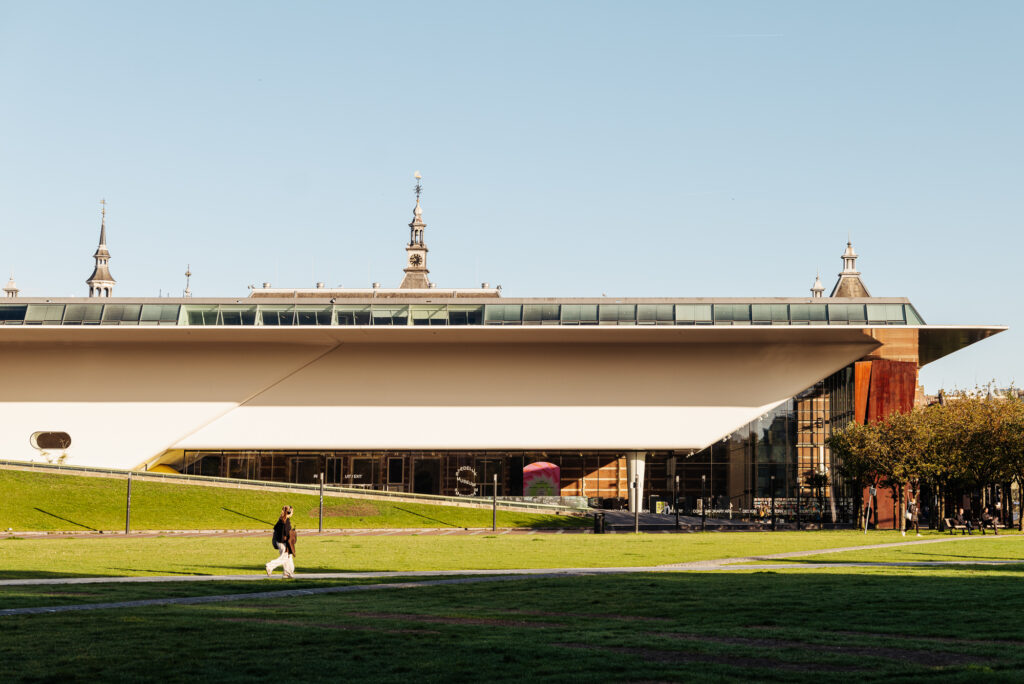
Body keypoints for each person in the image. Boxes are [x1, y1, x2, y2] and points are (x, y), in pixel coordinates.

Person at [266, 505, 295, 578]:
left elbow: (276, 528)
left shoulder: (282, 520)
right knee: (284, 558)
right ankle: (270, 566)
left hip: (280, 542)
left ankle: (287, 573)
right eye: (292, 512)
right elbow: (286, 533)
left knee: (288, 557)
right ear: (289, 512)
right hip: (283, 543)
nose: (292, 513)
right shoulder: (286, 521)